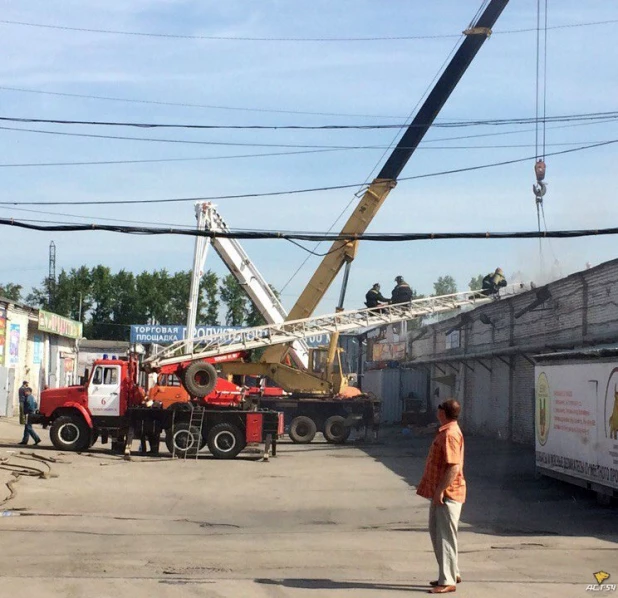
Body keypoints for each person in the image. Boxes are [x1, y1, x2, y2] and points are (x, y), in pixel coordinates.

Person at [416, 399, 466, 594]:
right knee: (438, 533)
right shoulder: (447, 431)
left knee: (444, 536)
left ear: (443, 413)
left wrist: (440, 492)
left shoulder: (450, 435)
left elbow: (454, 466)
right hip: (443, 492)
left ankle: (447, 581)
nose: (436, 410)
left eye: (439, 408)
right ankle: (452, 572)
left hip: (448, 493)